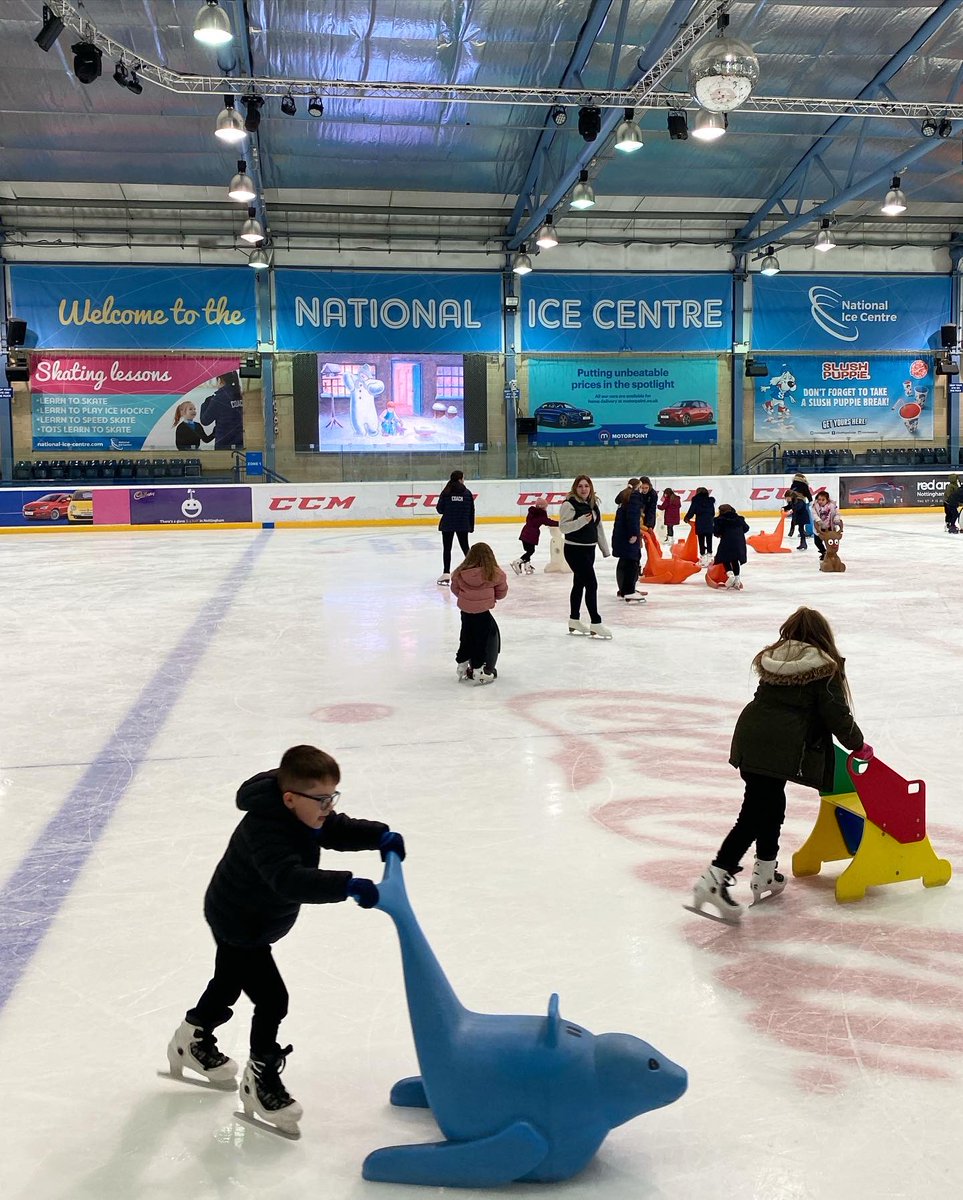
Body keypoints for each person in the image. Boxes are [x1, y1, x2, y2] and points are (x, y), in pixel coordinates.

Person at [166, 745, 404, 1133]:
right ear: (290, 798)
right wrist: (349, 885)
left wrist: (381, 836)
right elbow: (289, 880)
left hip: (250, 918)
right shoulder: (266, 829)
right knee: (272, 999)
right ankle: (258, 1081)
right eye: (322, 799)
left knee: (227, 983)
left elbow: (336, 828)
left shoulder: (304, 813)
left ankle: (191, 1039)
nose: (329, 807)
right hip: (240, 922)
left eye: (333, 797)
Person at [690, 607, 871, 923]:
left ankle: (766, 871)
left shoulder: (776, 659)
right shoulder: (823, 667)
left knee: (770, 804)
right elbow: (836, 716)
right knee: (754, 813)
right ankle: (714, 880)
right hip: (776, 747)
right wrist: (859, 745)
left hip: (752, 738)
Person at [559, 474, 612, 638]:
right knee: (592, 584)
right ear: (575, 488)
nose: (583, 489)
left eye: (586, 486)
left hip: (589, 550)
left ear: (591, 488)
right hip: (575, 551)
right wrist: (581, 521)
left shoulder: (593, 504)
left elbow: (598, 527)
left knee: (579, 584)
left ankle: (574, 620)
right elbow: (563, 528)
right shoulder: (569, 504)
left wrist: (604, 549)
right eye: (580, 486)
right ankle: (595, 622)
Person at [450, 542, 508, 685]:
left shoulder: (460, 573)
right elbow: (501, 593)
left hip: (466, 611)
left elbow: (455, 589)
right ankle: (478, 669)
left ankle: (462, 664)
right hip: (483, 612)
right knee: (481, 639)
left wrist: (467, 599)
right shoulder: (495, 574)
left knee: (466, 635)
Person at [435, 470, 474, 585]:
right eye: (463, 478)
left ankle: (446, 573)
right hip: (463, 524)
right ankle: (473, 570)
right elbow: (471, 511)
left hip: (448, 524)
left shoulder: (446, 492)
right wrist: (470, 526)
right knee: (465, 548)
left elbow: (440, 509)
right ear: (460, 479)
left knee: (447, 548)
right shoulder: (467, 493)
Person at [611, 481, 647, 603]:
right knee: (632, 561)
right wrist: (633, 533)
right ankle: (629, 591)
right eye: (641, 487)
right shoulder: (634, 496)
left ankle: (624, 590)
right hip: (628, 536)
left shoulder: (624, 497)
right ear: (638, 487)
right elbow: (632, 516)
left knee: (624, 562)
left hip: (620, 535)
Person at [511, 497, 558, 575]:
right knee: (530, 551)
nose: (546, 508)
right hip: (531, 535)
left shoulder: (532, 512)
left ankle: (527, 567)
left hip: (525, 533)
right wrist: (560, 523)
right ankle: (517, 562)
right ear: (541, 507)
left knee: (528, 551)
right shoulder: (541, 514)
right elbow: (548, 522)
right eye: (545, 507)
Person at [200, 371, 244, 449]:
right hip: (240, 441)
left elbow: (205, 421)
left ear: (220, 379)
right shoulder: (240, 395)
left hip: (223, 443)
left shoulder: (218, 398)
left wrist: (205, 404)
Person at [712, 503, 749, 590]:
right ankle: (737, 580)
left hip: (727, 541)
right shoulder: (739, 519)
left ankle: (730, 574)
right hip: (739, 541)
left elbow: (717, 532)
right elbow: (746, 528)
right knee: (735, 559)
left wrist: (720, 534)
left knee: (725, 558)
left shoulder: (719, 520)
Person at [684, 486, 716, 562]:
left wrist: (687, 518)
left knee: (701, 539)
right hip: (709, 522)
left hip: (700, 522)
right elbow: (713, 513)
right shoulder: (710, 501)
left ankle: (703, 556)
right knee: (709, 539)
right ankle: (709, 554)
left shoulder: (696, 501)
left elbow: (692, 511)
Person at [812, 489, 843, 560]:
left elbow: (837, 513)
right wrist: (818, 520)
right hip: (819, 528)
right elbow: (814, 514)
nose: (820, 501)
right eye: (819, 499)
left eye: (823, 500)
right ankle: (824, 552)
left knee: (830, 542)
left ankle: (831, 553)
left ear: (827, 500)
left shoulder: (832, 506)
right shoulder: (815, 506)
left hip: (830, 527)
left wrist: (836, 519)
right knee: (817, 542)